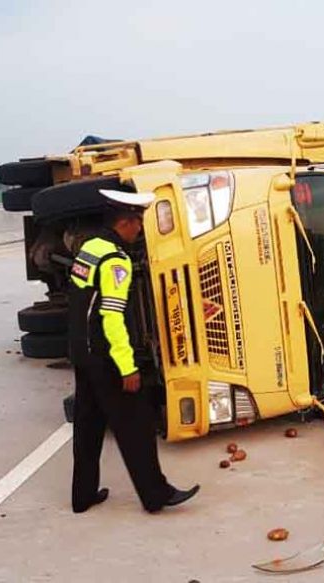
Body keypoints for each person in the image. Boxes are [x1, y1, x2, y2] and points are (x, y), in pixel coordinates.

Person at [66, 187, 199, 513]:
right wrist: (127, 367)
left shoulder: (90, 248)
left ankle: (82, 496)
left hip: (82, 353)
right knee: (136, 425)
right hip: (107, 357)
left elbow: (78, 300)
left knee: (88, 425)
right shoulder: (116, 261)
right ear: (124, 223)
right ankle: (156, 495)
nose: (140, 230)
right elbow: (112, 318)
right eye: (137, 223)